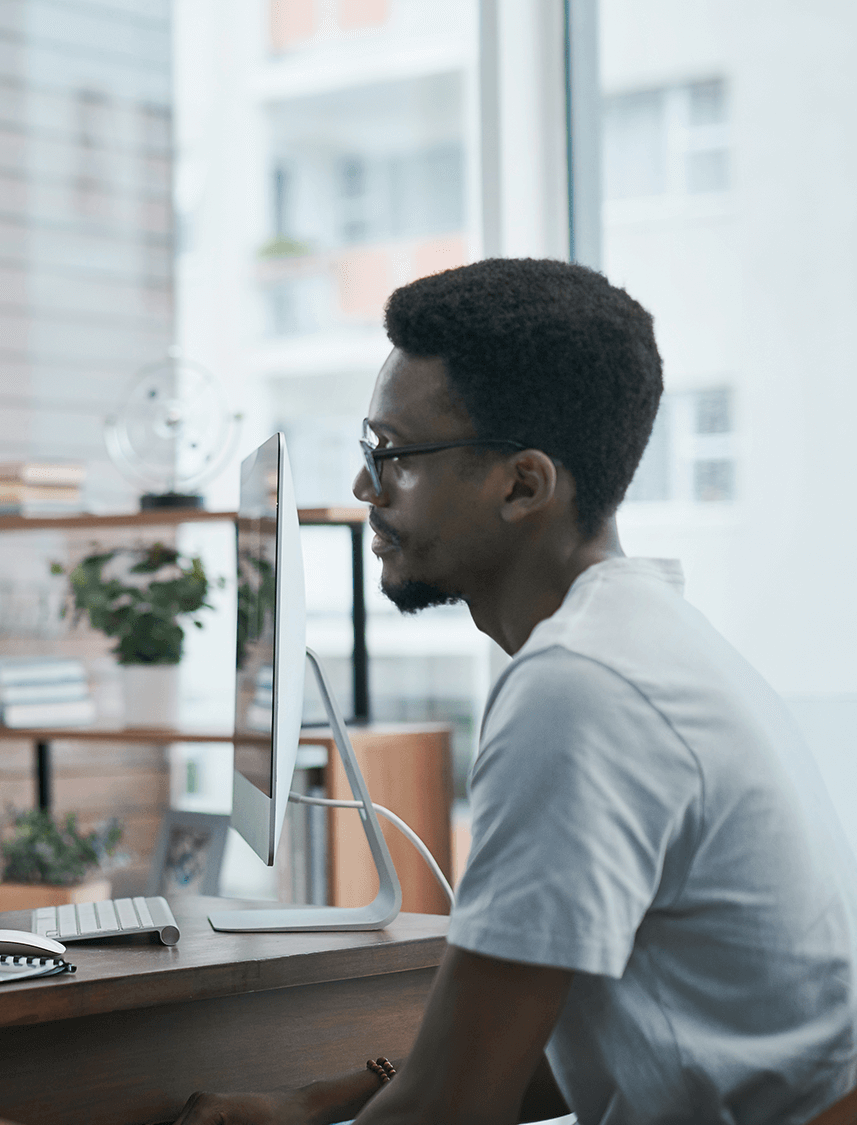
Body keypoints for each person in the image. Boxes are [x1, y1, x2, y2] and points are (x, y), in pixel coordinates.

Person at [179, 259, 856, 1125]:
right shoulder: (642, 637)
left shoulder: (580, 692)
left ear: (524, 485)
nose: (365, 487)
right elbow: (587, 1042)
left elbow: (449, 1111)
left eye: (393, 455)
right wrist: (324, 1101)